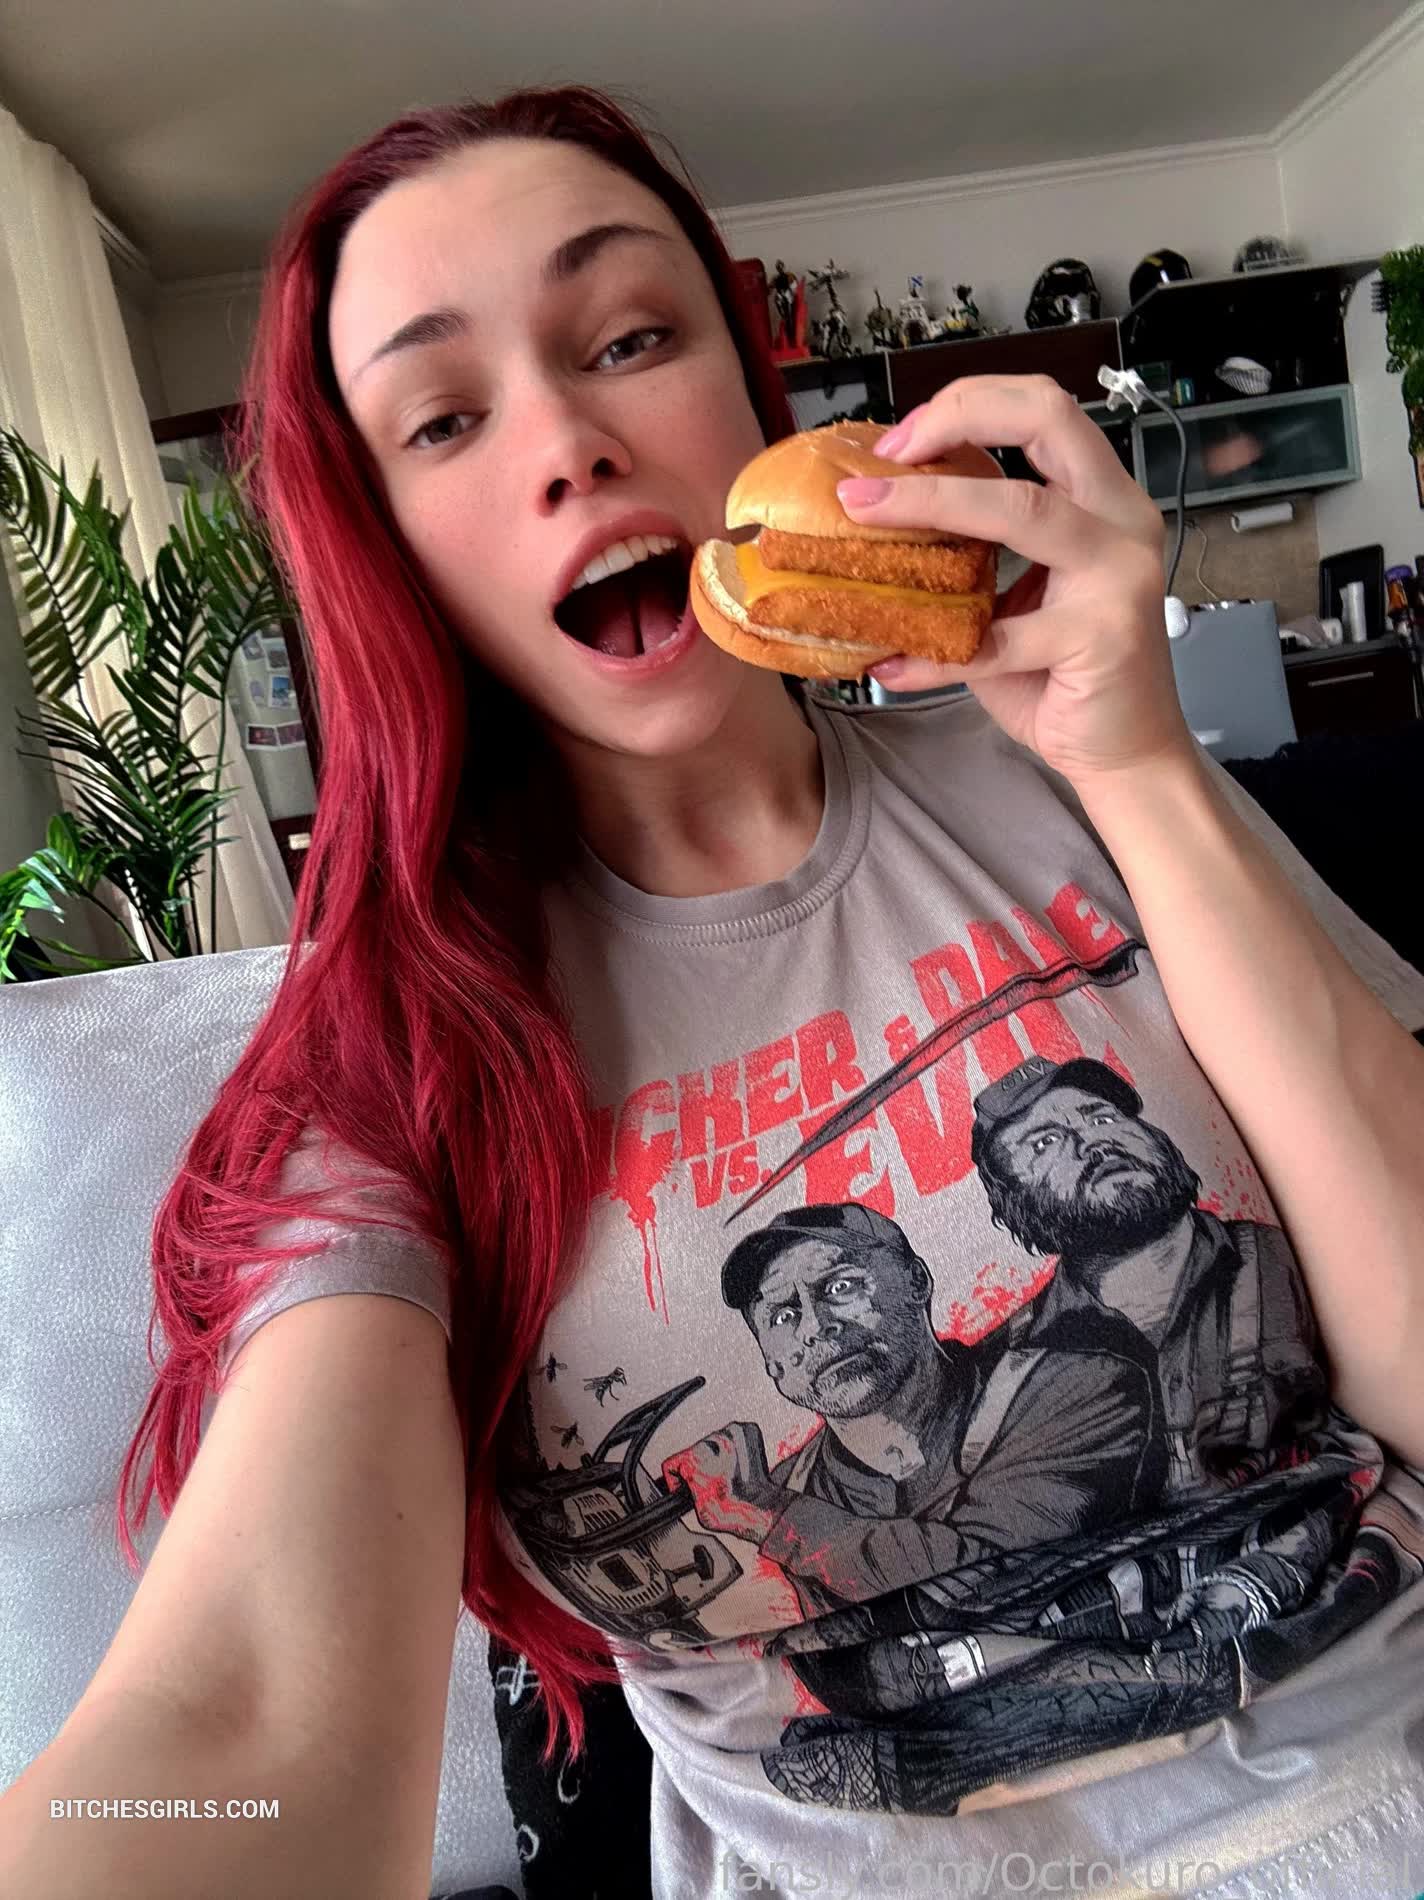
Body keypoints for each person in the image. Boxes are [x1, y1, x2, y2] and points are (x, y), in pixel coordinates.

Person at [2, 81, 1423, 1900]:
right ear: (388, 549)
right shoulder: (397, 1054)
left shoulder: (1078, 770)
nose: (569, 444)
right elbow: (252, 1717)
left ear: (755, 395)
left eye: (629, 339)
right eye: (444, 419)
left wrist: (1137, 764)